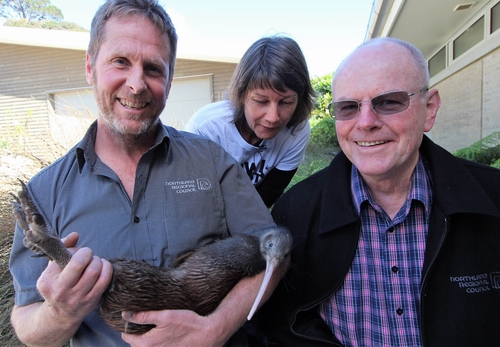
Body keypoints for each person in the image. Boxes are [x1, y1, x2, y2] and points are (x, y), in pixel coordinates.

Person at [8, 1, 284, 346]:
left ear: (169, 79)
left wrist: (216, 328)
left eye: (154, 69)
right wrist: (59, 313)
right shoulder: (45, 192)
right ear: (91, 67)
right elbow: (28, 324)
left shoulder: (211, 162)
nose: (137, 84)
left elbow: (274, 254)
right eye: (120, 62)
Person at [257, 37, 500, 346]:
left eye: (389, 102)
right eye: (348, 107)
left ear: (429, 108)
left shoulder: (493, 201)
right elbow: (281, 326)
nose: (366, 122)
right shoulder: (295, 216)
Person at [184, 35, 315, 207]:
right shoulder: (205, 129)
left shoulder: (296, 131)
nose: (273, 117)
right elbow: (195, 199)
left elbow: (266, 197)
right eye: (261, 101)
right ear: (241, 95)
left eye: (286, 102)